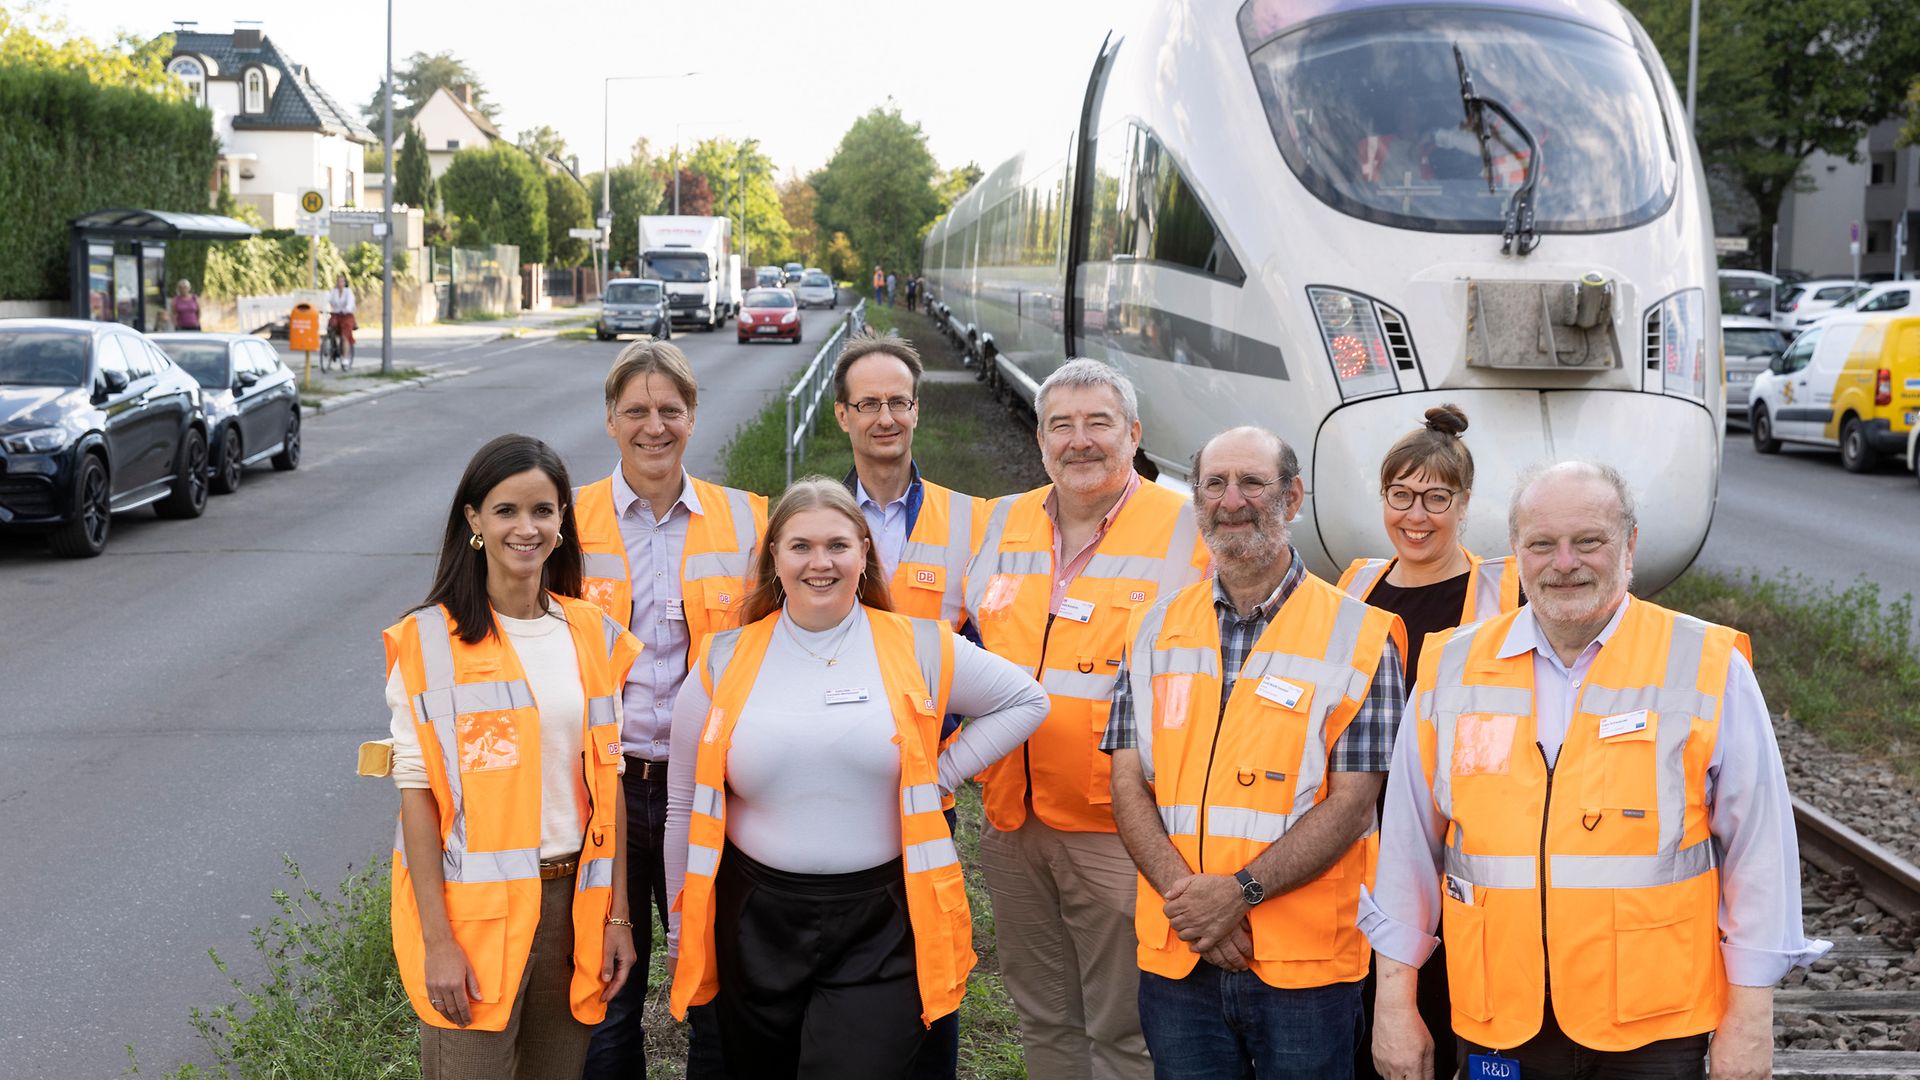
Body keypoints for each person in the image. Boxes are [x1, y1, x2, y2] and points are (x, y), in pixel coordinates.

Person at [1363, 461, 1830, 1080]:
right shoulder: (1451, 667)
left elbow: (1760, 852)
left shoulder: (1705, 663)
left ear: (1629, 545)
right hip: (1500, 1016)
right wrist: (1394, 1004)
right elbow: (1406, 848)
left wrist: (1750, 1018)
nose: (1564, 563)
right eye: (1542, 544)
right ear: (1515, 551)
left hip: (1655, 1026)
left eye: (1588, 541)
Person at [664, 478, 1051, 1077]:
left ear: (865, 552)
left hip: (883, 920)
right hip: (753, 920)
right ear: (773, 558)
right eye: (800, 546)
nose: (820, 563)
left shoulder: (921, 645)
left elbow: (1026, 700)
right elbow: (684, 804)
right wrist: (680, 925)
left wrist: (940, 772)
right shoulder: (723, 658)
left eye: (838, 545)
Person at [1105, 426, 1406, 1078]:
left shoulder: (1360, 637)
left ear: (1293, 497)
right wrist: (1193, 907)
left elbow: (1355, 805)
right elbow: (1128, 784)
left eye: (1252, 483)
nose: (1231, 500)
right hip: (1180, 950)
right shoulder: (1152, 630)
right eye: (1214, 483)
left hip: (1304, 968)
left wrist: (1237, 895)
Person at [963, 358, 1209, 1079]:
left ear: (1133, 434)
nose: (1080, 441)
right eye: (1061, 425)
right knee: (1043, 1018)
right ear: (1040, 441)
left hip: (1122, 826)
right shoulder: (1002, 519)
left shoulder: (1185, 529)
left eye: (1098, 423)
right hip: (1012, 819)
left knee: (1123, 1029)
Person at [382, 434, 644, 1080]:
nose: (526, 528)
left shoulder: (591, 634)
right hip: (473, 920)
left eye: (543, 511)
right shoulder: (426, 641)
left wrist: (618, 917)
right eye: (506, 511)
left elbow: (607, 788)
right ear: (473, 519)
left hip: (572, 910)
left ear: (562, 523)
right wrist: (438, 942)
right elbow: (417, 802)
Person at [576, 340, 767, 1080]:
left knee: (715, 976)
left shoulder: (747, 522)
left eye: (669, 410)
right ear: (610, 421)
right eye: (636, 411)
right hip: (604, 792)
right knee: (607, 983)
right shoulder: (567, 519)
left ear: (692, 417)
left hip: (708, 790)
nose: (653, 426)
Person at [1337, 404, 1521, 1080]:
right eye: (1401, 495)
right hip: (1365, 841)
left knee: (1451, 1013)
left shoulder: (1504, 590)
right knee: (1371, 1020)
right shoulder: (1356, 584)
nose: (1416, 516)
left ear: (1464, 503)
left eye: (1435, 498)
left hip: (1465, 844)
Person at [831, 329, 986, 1080]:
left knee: (931, 957)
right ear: (842, 417)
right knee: (841, 958)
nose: (884, 417)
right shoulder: (812, 521)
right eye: (869, 404)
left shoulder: (973, 523)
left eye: (898, 401)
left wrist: (948, 766)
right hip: (829, 786)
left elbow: (998, 667)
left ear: (918, 410)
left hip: (926, 794)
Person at [326, 273, 356, 363]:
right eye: (338, 281)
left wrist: (347, 309)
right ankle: (333, 347)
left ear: (344, 283)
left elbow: (350, 302)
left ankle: (345, 357)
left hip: (346, 315)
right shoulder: (333, 291)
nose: (340, 283)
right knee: (331, 327)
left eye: (342, 281)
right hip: (336, 314)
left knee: (344, 335)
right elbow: (327, 299)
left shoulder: (348, 291)